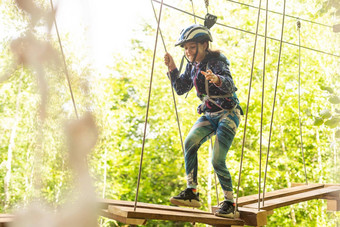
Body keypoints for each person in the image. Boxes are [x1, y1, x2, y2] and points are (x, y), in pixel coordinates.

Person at [164, 24, 243, 218]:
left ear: (204, 45)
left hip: (228, 114)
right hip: (209, 115)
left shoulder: (216, 61)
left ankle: (230, 202)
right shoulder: (192, 66)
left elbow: (230, 83)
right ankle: (192, 192)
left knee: (217, 160)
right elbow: (181, 88)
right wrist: (173, 67)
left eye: (192, 47)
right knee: (190, 142)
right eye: (186, 48)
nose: (188, 52)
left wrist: (216, 79)